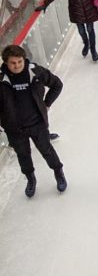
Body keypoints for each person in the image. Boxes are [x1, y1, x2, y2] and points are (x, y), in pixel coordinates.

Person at [0, 44, 65, 197]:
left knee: (47, 151)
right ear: (6, 63)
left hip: (37, 124)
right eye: (13, 63)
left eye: (19, 62)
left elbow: (57, 85)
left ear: (24, 60)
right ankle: (31, 179)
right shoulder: (1, 79)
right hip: (14, 128)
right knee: (23, 155)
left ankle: (58, 172)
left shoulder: (35, 72)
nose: (17, 66)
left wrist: (46, 103)